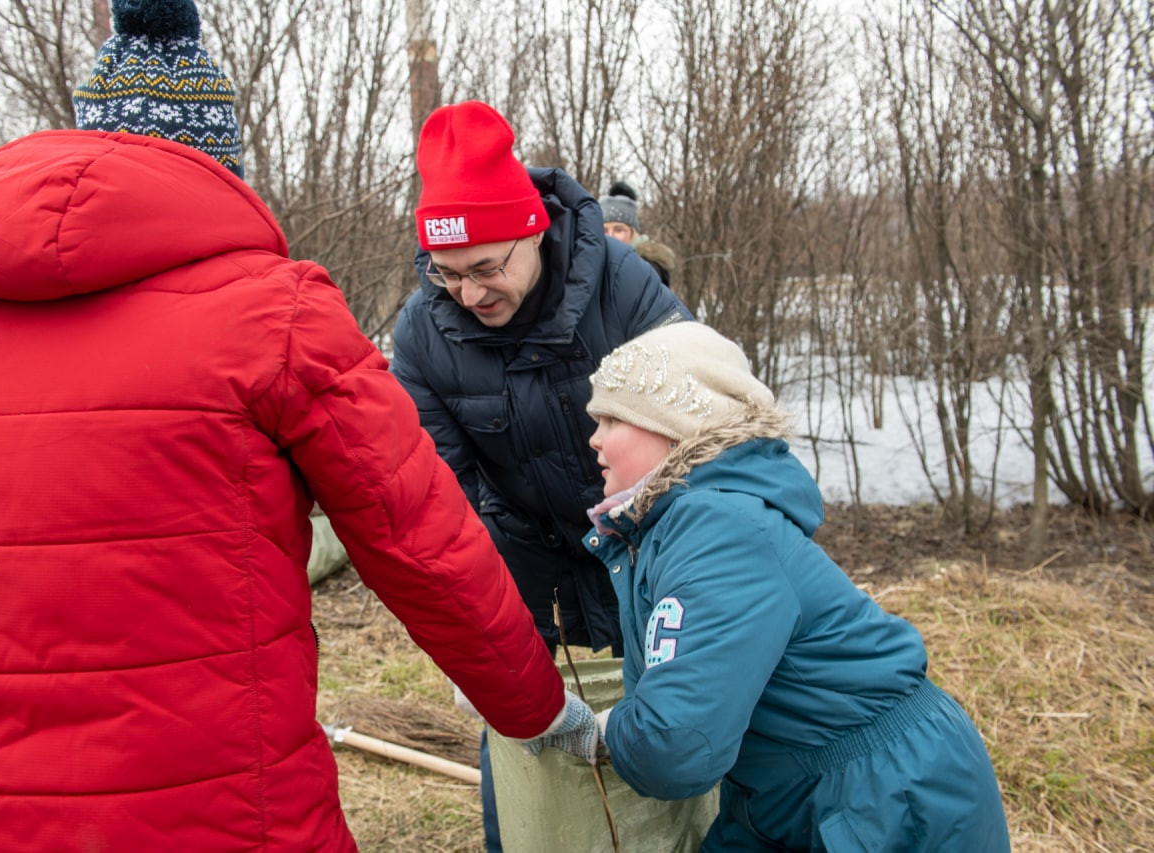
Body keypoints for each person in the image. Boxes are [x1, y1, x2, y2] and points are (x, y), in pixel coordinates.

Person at [0, 2, 594, 850]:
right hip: (239, 822)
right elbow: (418, 539)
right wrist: (535, 706)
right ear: (216, 168)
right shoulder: (273, 313)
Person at [546, 321, 1012, 850]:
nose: (594, 438)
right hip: (785, 789)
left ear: (674, 426)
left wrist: (599, 731)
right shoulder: (670, 525)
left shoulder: (716, 528)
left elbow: (676, 748)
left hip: (885, 796)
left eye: (612, 418)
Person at [390, 100, 691, 849]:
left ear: (533, 229)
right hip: (523, 553)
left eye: (488, 267)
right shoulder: (423, 334)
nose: (469, 293)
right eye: (447, 272)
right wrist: (476, 646)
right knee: (521, 752)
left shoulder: (625, 288)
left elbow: (704, 442)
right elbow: (439, 505)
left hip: (648, 544)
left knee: (673, 743)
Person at [598, 180, 677, 287]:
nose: (610, 236)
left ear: (632, 232)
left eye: (618, 230)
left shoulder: (649, 268)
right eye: (605, 230)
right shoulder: (597, 263)